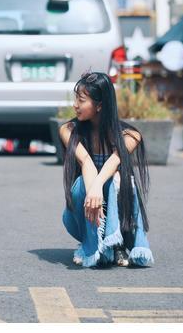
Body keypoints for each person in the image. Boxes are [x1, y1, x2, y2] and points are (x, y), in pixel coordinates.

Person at [59, 71, 153, 268]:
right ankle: (89, 244)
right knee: (80, 185)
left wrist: (99, 185)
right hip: (82, 212)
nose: (75, 104)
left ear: (100, 105)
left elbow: (113, 162)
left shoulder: (130, 135)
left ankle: (116, 243)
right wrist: (93, 190)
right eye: (76, 98)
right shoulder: (69, 131)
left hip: (119, 214)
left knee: (119, 179)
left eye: (81, 100)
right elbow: (86, 162)